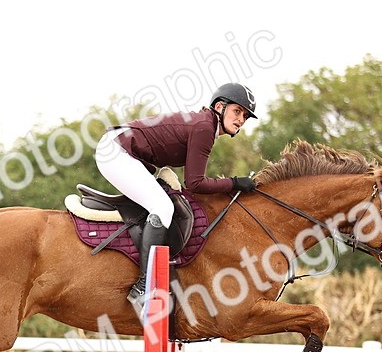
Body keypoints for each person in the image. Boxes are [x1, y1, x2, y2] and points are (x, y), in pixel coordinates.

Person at [95, 82, 260, 303]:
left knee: (165, 202)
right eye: (237, 111)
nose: (241, 119)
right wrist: (235, 183)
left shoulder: (205, 124)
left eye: (246, 116)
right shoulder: (204, 128)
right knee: (162, 207)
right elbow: (196, 184)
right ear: (220, 107)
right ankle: (144, 286)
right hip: (117, 151)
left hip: (122, 150)